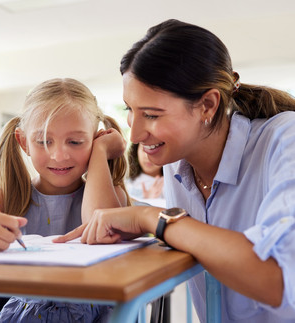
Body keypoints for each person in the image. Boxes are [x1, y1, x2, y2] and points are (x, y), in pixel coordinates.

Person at [55, 20, 295, 322]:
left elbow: (280, 281)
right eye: (130, 110)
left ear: (207, 105)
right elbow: (100, 225)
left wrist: (153, 218)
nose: (136, 135)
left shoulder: (285, 139)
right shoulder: (176, 161)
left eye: (152, 115)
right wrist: (99, 152)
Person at [0, 78, 130, 322]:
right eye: (43, 141)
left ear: (95, 139)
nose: (59, 155)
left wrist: (100, 151)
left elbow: (100, 223)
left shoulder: (111, 195)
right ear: (24, 143)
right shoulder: (11, 196)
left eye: (76, 142)